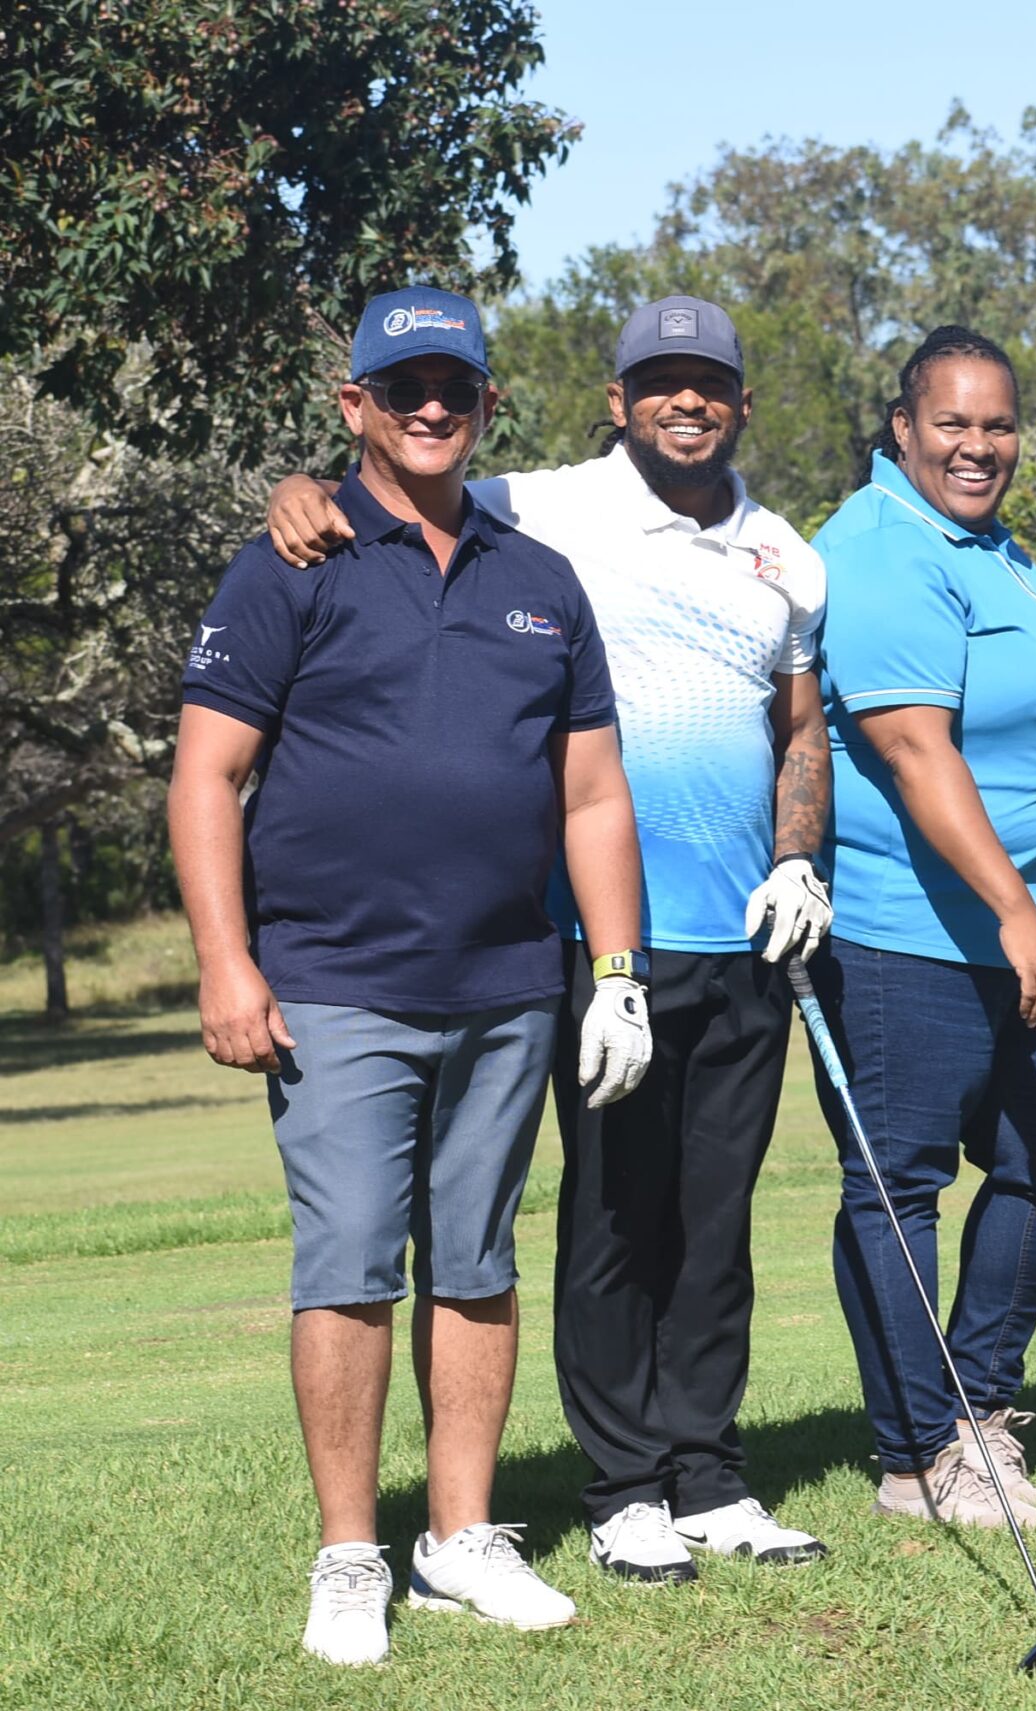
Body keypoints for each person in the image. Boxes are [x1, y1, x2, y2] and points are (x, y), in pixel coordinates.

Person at [262, 295, 836, 1580]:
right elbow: (398, 476)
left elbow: (803, 726)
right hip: (595, 940)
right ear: (616, 400)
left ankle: (707, 1470)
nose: (685, 401)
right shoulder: (543, 501)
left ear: (741, 403)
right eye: (658, 382)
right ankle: (624, 1482)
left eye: (709, 383)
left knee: (717, 1212)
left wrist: (799, 857)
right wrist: (297, 486)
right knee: (614, 1211)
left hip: (745, 933)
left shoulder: (786, 555)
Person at [172, 286, 647, 1666]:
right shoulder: (292, 559)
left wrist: (614, 971)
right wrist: (224, 960)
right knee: (349, 1265)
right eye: (403, 388)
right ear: (354, 408)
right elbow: (207, 774)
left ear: (488, 402)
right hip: (331, 981)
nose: (430, 407)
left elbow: (592, 796)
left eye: (455, 387)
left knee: (481, 1261)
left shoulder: (540, 579)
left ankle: (460, 1536)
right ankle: (348, 1554)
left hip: (506, 982)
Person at [805, 326, 1036, 1528]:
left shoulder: (993, 550)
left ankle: (975, 1409)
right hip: (904, 925)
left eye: (997, 425)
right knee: (901, 1183)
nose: (977, 446)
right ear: (903, 428)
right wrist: (1018, 907)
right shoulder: (883, 548)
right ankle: (916, 1453)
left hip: (1008, 925)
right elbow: (913, 749)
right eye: (952, 424)